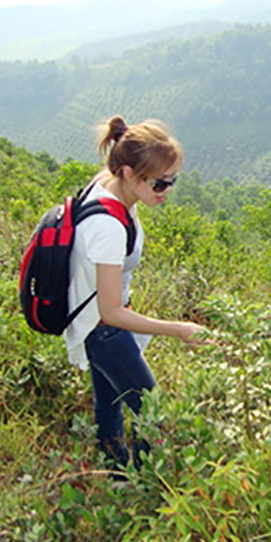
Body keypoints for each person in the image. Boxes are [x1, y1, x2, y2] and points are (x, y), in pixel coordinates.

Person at [64, 114, 207, 469]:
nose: (167, 190)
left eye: (172, 180)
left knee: (109, 402)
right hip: (105, 330)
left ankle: (115, 474)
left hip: (94, 323)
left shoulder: (107, 183)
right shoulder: (108, 227)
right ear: (128, 173)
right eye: (159, 183)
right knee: (152, 412)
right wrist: (179, 329)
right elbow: (111, 311)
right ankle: (146, 482)